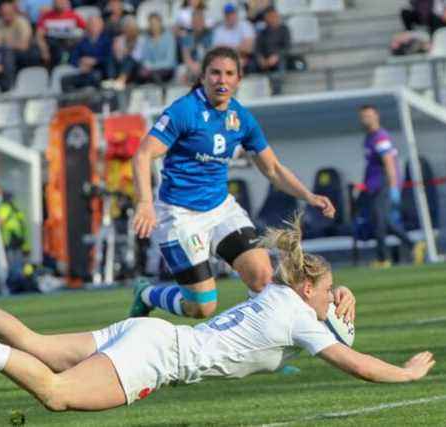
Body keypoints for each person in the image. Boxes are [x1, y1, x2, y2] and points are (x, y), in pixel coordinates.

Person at [0, 213, 435, 411]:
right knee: (55, 394)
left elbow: (322, 310)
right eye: (329, 287)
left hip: (149, 332)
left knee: (39, 343)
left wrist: (342, 295)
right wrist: (405, 373)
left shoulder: (276, 296)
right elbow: (356, 362)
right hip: (157, 357)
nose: (332, 294)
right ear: (310, 288)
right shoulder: (296, 316)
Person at [128, 46, 336, 321]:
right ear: (202, 76)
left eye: (229, 74)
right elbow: (143, 154)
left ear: (239, 80)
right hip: (180, 215)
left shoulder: (241, 118)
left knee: (264, 279)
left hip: (221, 209)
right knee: (202, 307)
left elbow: (272, 168)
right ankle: (146, 294)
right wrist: (145, 204)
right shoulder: (184, 111)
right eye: (215, 73)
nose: (221, 80)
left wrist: (309, 196)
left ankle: (261, 347)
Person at [358, 105, 422, 268]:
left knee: (380, 222)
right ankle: (413, 245)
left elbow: (389, 162)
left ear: (376, 116)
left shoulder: (380, 137)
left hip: (383, 184)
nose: (366, 119)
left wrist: (393, 186)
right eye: (363, 116)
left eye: (369, 115)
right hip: (373, 186)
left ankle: (383, 259)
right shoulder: (369, 137)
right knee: (383, 221)